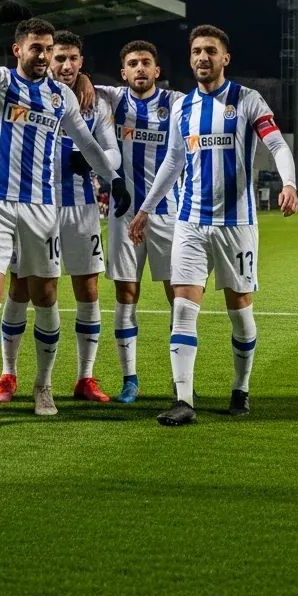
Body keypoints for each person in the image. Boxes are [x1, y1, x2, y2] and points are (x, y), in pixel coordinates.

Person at [0, 4, 129, 426]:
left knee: (45, 297)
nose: (44, 57)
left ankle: (43, 385)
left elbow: (87, 140)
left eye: (48, 49)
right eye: (36, 49)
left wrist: (111, 178)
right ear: (17, 49)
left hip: (43, 207)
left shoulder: (59, 95)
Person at [128, 24, 298, 426]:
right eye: (196, 52)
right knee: (184, 307)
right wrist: (147, 209)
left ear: (225, 58)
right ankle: (183, 399)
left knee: (239, 311)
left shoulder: (247, 100)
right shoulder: (183, 108)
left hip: (237, 225)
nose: (202, 57)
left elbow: (276, 144)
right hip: (189, 222)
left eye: (210, 51)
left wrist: (289, 182)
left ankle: (241, 388)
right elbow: (172, 162)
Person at [0, 30, 121, 405]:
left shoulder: (95, 102)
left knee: (88, 289)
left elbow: (112, 152)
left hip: (80, 207)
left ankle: (85, 377)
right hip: (33, 205)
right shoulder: (27, 90)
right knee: (20, 286)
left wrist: (97, 160)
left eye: (72, 59)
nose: (65, 65)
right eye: (58, 57)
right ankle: (8, 373)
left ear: (82, 62)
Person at [88, 39, 184, 404]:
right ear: (123, 72)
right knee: (126, 295)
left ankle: (180, 378)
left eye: (146, 62)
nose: (140, 68)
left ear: (157, 71)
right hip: (122, 214)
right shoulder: (112, 99)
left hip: (167, 213)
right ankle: (130, 379)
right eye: (132, 63)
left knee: (178, 297)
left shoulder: (175, 103)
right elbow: (77, 80)